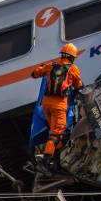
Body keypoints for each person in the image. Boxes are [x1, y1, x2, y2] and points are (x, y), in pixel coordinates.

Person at [31, 43, 83, 172]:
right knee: (56, 135)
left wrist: (42, 67)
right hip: (59, 106)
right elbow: (79, 86)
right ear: (71, 57)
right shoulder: (73, 68)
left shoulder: (51, 65)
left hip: (46, 105)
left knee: (53, 133)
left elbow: (34, 74)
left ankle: (55, 164)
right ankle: (44, 163)